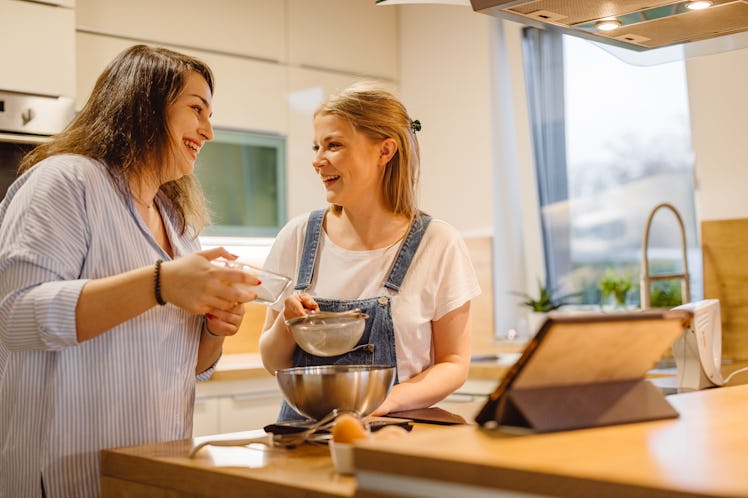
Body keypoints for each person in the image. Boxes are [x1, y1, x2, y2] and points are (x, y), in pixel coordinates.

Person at [0, 45, 259, 498]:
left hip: (152, 472)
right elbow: (16, 317)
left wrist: (215, 327)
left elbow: (190, 366)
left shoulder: (176, 222)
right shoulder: (65, 181)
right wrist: (160, 284)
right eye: (196, 109)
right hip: (65, 476)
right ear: (143, 106)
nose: (209, 131)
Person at [259, 82, 481, 421]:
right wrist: (288, 325)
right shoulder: (297, 237)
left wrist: (388, 401)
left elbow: (453, 364)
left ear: (385, 151)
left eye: (333, 145)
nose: (318, 161)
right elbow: (273, 362)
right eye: (317, 146)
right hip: (302, 440)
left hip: (394, 435)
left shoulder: (438, 243)